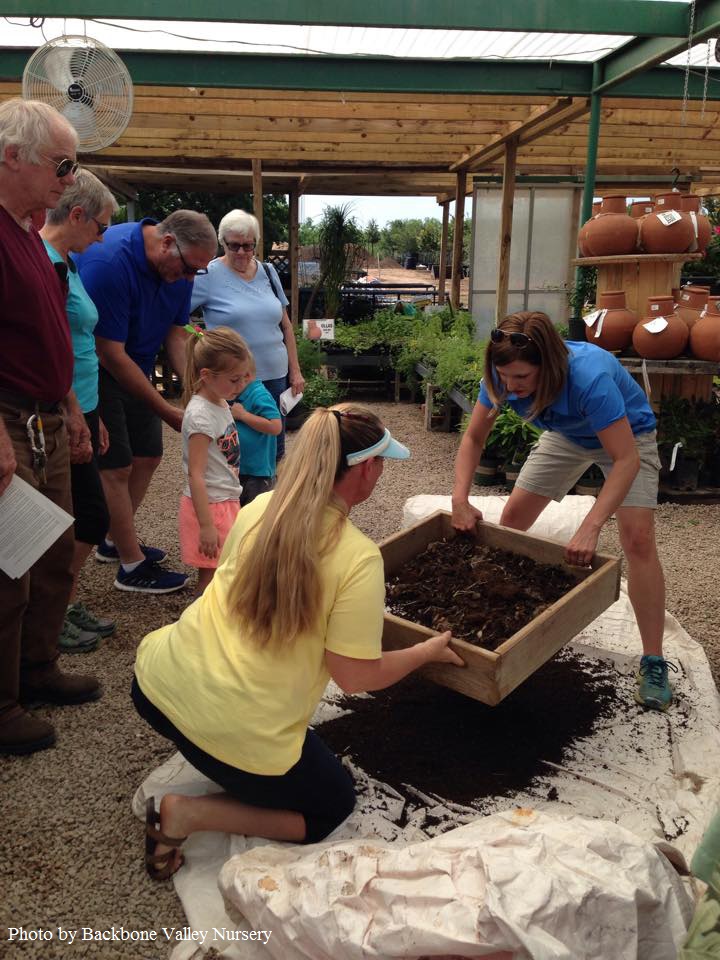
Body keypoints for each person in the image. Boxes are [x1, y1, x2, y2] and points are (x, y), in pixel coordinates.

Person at [133, 403, 463, 879]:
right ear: (367, 469)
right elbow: (354, 677)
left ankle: (213, 753)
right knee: (332, 805)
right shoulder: (358, 558)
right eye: (382, 462)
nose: (382, 471)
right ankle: (186, 814)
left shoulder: (262, 506)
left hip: (155, 687)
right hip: (235, 728)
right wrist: (425, 651)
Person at [452, 310, 673, 711]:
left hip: (628, 438)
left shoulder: (589, 379)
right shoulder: (502, 379)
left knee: (638, 540)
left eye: (522, 378)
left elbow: (625, 460)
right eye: (505, 377)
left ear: (548, 366)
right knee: (512, 524)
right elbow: (473, 439)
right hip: (568, 436)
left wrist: (591, 526)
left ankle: (654, 660)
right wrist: (459, 500)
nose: (511, 388)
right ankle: (500, 624)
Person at [0, 98, 101, 755]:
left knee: (56, 554)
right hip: (9, 419)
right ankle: (2, 703)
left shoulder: (28, 231)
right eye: (61, 163)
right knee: (9, 571)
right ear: (12, 157)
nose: (71, 177)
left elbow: (48, 329)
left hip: (44, 417)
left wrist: (69, 404)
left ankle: (36, 670)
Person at [76, 209, 217, 594]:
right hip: (99, 368)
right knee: (116, 466)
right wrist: (166, 409)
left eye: (197, 273)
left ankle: (112, 539)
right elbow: (109, 353)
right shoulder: (111, 262)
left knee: (150, 455)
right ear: (168, 242)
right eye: (189, 269)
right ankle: (130, 564)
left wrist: (200, 393)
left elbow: (176, 332)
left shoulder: (179, 266)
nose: (189, 279)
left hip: (133, 364)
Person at [40, 169, 119, 651]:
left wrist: (94, 414)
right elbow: (53, 346)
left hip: (83, 405)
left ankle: (59, 607)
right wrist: (73, 414)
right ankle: (50, 614)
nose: (104, 235)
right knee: (85, 514)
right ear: (76, 215)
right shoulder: (46, 261)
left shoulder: (66, 262)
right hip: (62, 408)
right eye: (101, 225)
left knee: (80, 513)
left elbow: (79, 341)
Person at [190, 209, 304, 461]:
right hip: (232, 381)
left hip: (276, 377)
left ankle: (268, 499)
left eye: (247, 246)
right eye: (234, 246)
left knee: (274, 450)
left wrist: (295, 370)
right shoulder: (206, 275)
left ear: (255, 244)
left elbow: (285, 325)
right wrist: (201, 342)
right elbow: (178, 319)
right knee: (235, 452)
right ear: (223, 243)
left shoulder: (268, 272)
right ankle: (232, 500)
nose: (241, 252)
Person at [180, 326, 245, 594]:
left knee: (225, 570)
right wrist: (206, 526)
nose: (241, 386)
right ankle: (198, 627)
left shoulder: (219, 400)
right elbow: (195, 474)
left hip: (225, 498)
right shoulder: (200, 416)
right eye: (234, 380)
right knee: (210, 580)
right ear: (206, 375)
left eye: (243, 378)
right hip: (210, 507)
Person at [229, 348, 282, 507]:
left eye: (232, 380)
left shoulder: (259, 394)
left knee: (254, 515)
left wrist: (244, 415)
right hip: (241, 470)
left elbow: (275, 426)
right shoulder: (238, 393)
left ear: (246, 376)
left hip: (257, 474)